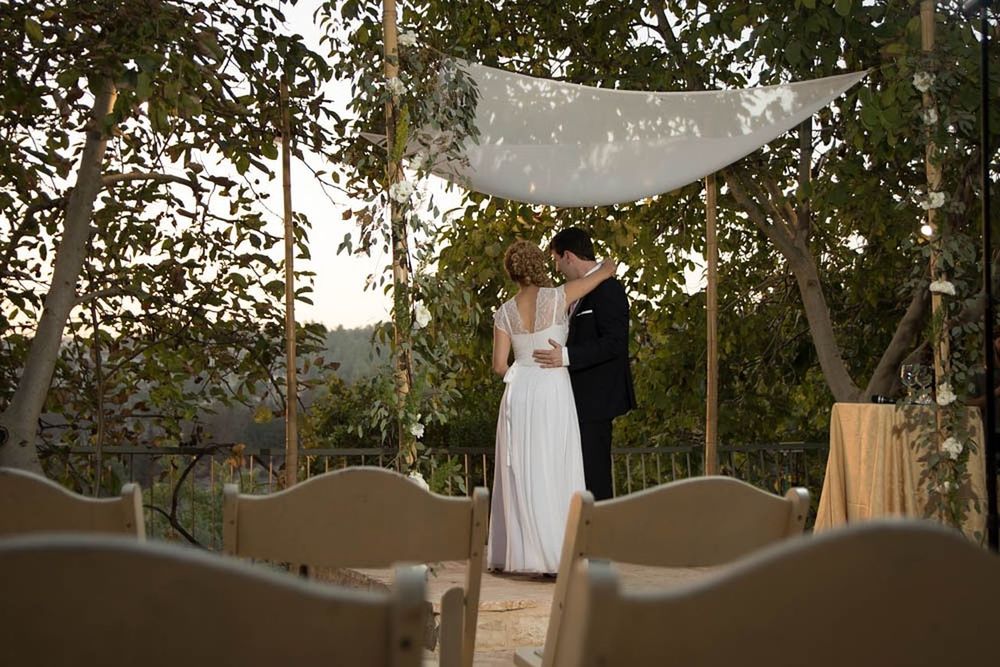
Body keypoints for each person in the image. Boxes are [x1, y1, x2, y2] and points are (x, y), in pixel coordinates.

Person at [488, 239, 617, 574]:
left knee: (524, 470)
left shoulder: (504, 312)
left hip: (520, 391)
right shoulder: (559, 296)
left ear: (513, 273)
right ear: (538, 266)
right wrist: (607, 266)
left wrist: (524, 370)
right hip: (553, 387)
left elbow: (499, 365)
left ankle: (526, 553)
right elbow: (600, 276)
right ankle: (560, 553)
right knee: (557, 466)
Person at [532, 227, 636, 501]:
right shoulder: (578, 292)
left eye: (556, 259)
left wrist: (566, 356)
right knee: (576, 475)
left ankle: (600, 536)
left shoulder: (609, 288)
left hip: (596, 399)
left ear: (568, 256)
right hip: (573, 399)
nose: (556, 267)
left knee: (594, 475)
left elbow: (615, 343)